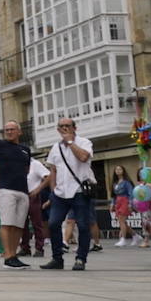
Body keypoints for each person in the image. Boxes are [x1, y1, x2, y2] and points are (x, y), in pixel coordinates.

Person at [40, 116, 96, 271]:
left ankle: (80, 258)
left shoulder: (84, 142)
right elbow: (53, 170)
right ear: (58, 129)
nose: (64, 128)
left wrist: (70, 142)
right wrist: (52, 192)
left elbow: (84, 157)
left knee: (83, 225)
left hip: (79, 191)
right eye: (61, 126)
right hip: (60, 193)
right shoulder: (55, 148)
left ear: (74, 128)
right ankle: (57, 258)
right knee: (53, 224)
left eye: (67, 126)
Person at [0, 120, 33, 269]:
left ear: (19, 132)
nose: (9, 132)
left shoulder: (25, 150)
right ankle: (8, 255)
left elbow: (27, 169)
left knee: (18, 225)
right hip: (6, 189)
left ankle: (13, 255)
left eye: (12, 129)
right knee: (7, 223)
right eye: (6, 130)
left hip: (22, 190)